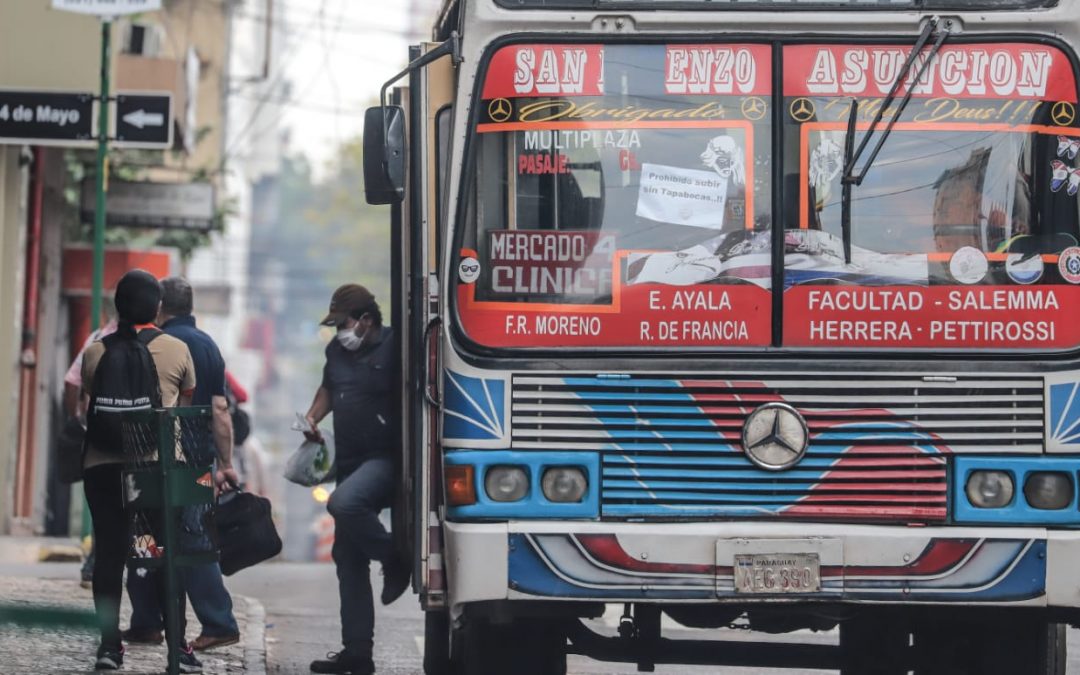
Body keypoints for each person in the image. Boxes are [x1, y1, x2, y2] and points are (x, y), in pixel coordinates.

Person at [80, 270, 204, 672]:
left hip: (102, 466)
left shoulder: (96, 352)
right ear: (158, 308)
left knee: (110, 555)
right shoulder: (177, 349)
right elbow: (184, 405)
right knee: (166, 553)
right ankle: (178, 649)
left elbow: (90, 400)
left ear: (118, 306)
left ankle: (109, 647)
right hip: (156, 470)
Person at [123, 277, 242, 652]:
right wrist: (225, 463)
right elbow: (221, 410)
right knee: (194, 542)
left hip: (156, 458)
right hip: (197, 461)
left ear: (160, 306)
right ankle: (214, 620)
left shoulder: (158, 344)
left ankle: (150, 621)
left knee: (145, 536)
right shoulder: (208, 346)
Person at [306, 284, 409, 675]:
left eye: (344, 324)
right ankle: (358, 653)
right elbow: (328, 388)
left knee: (344, 503)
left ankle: (394, 558)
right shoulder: (336, 351)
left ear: (366, 320)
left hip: (387, 458)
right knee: (348, 558)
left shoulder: (397, 345)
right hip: (349, 459)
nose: (339, 333)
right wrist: (313, 417)